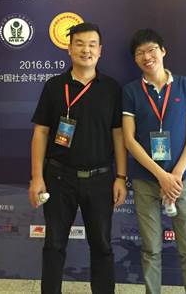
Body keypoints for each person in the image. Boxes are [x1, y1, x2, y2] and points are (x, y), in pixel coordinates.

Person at [29, 22, 127, 294]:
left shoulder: (111, 88)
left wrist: (121, 176)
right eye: (80, 44)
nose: (86, 50)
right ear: (69, 49)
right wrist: (37, 177)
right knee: (54, 245)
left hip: (101, 179)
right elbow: (41, 133)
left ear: (100, 50)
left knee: (102, 246)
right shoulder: (54, 86)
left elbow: (119, 135)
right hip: (59, 178)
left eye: (92, 45)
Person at [122, 29, 186, 294]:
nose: (147, 56)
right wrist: (161, 176)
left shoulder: (185, 86)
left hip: (182, 182)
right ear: (135, 59)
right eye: (140, 53)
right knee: (150, 250)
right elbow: (129, 140)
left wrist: (175, 175)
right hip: (146, 181)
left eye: (152, 50)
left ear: (163, 51)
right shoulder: (131, 91)